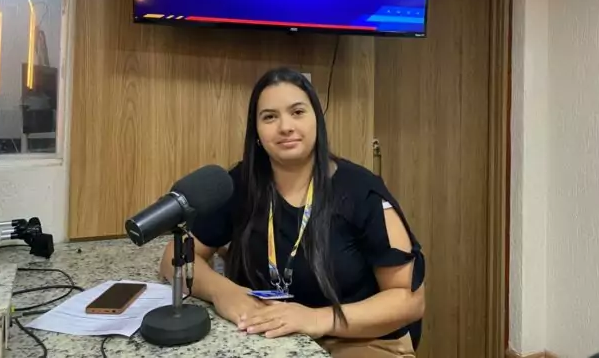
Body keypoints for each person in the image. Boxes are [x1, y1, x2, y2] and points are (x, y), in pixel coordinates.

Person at [159, 67, 426, 357]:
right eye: (269, 117)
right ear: (256, 132)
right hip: (270, 338)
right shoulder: (242, 183)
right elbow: (175, 259)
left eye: (297, 112)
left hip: (359, 341)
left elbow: (409, 301)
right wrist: (223, 292)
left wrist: (316, 319)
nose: (285, 126)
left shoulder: (362, 192)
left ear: (317, 121)